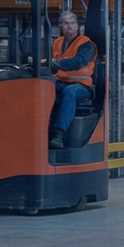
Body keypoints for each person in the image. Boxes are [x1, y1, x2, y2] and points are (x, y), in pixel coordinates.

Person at [45, 11, 96, 149]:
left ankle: (58, 134)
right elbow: (49, 62)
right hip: (60, 81)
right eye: (66, 23)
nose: (70, 27)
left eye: (73, 23)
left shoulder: (86, 44)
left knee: (70, 93)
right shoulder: (57, 42)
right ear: (60, 25)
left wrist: (55, 63)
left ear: (78, 26)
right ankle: (40, 130)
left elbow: (77, 63)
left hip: (82, 85)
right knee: (42, 89)